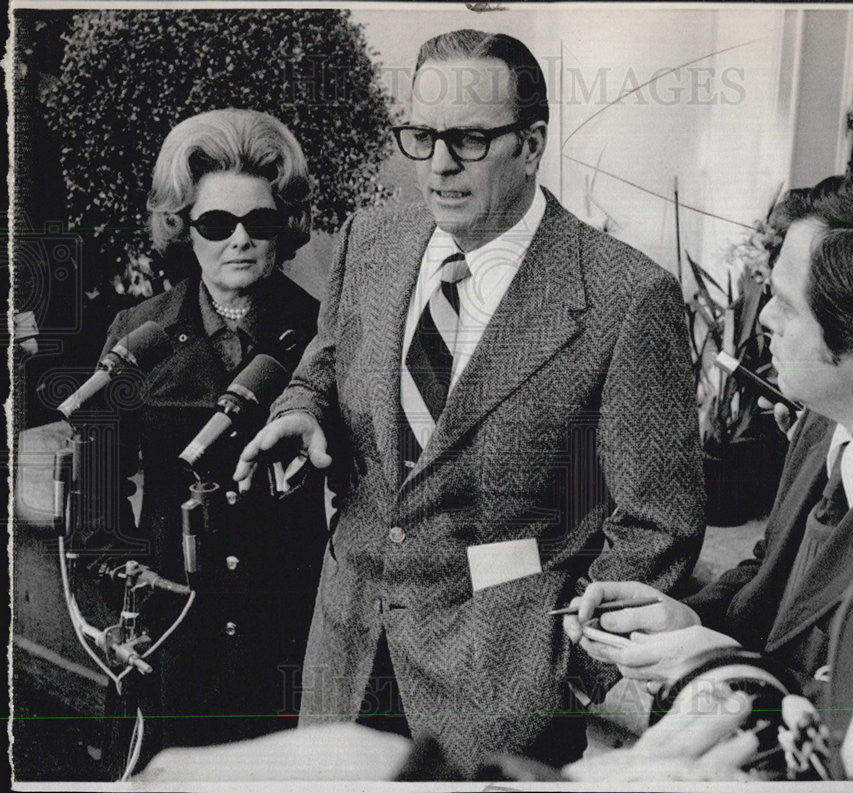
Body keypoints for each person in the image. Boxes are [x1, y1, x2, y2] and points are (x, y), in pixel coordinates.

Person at [234, 29, 703, 773]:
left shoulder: (625, 298)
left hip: (500, 700)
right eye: (421, 136)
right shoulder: (373, 240)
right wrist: (301, 408)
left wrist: (567, 670)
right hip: (345, 655)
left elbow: (656, 527)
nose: (438, 164)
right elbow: (327, 360)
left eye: (471, 140)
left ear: (533, 142)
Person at [565, 172, 853, 695]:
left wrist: (724, 669)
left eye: (786, 303)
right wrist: (686, 620)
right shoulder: (830, 411)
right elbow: (772, 574)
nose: (764, 319)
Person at [98, 109, 327, 770]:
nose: (240, 241)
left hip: (289, 645)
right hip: (170, 648)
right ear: (182, 226)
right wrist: (122, 625)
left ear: (282, 226)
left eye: (259, 222)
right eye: (215, 224)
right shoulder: (133, 334)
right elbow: (95, 516)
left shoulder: (323, 337)